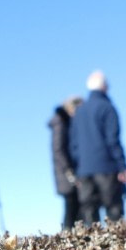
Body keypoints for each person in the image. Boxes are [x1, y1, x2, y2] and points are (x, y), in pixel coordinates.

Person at [68, 70, 126, 225]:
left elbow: (74, 145)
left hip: (84, 171)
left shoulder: (79, 112)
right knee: (114, 212)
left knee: (89, 215)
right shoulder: (107, 108)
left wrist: (77, 169)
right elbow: (113, 140)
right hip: (107, 168)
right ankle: (118, 248)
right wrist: (122, 166)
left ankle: (92, 248)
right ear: (104, 87)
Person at [48, 96, 83, 229]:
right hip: (65, 174)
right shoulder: (60, 123)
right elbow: (58, 149)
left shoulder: (65, 122)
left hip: (66, 172)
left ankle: (70, 239)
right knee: (71, 208)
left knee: (75, 208)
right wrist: (69, 171)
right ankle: (67, 240)